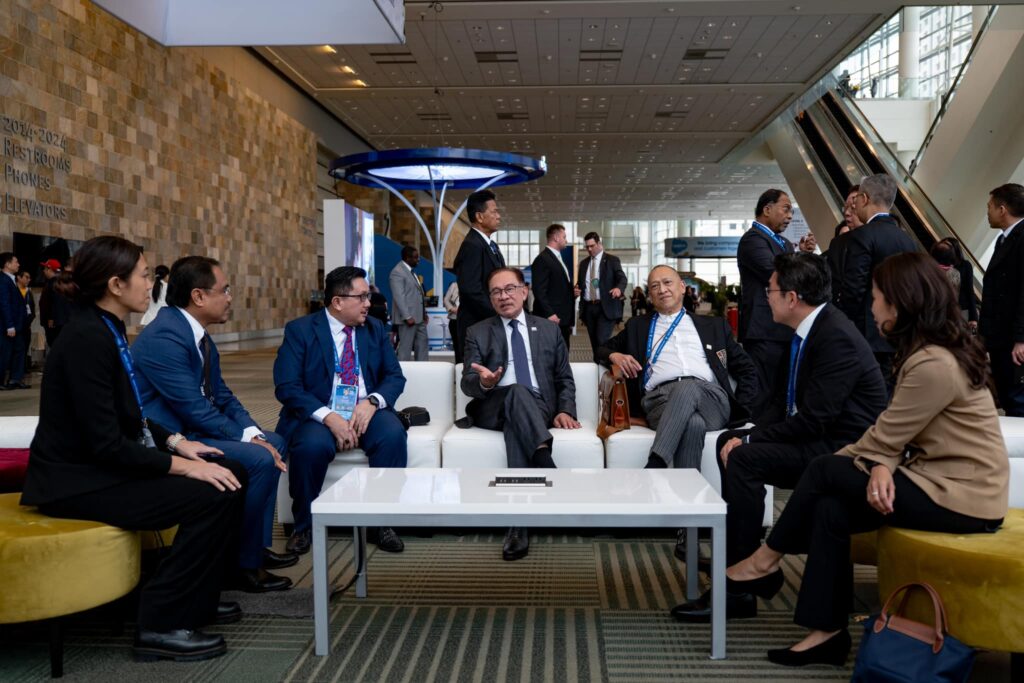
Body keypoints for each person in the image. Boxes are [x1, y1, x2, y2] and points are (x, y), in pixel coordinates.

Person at [723, 252, 1007, 666]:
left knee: (824, 469)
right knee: (831, 508)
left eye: (875, 297)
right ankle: (827, 633)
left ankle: (765, 560)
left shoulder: (933, 363)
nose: (870, 307)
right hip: (935, 479)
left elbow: (883, 435)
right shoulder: (929, 352)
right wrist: (881, 465)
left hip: (962, 497)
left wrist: (877, 462)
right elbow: (894, 436)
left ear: (900, 302)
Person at [20, 235, 247, 662]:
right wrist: (182, 467)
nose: (151, 285)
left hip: (103, 468)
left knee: (230, 469)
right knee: (212, 493)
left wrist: (178, 442)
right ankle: (160, 621)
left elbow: (128, 415)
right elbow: (105, 444)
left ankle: (194, 600)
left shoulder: (107, 328)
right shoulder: (86, 339)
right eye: (144, 276)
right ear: (115, 284)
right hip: (78, 482)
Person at [670, 253, 887, 623]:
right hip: (821, 435)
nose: (764, 297)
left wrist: (751, 442)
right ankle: (742, 559)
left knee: (744, 457)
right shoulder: (810, 330)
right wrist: (746, 432)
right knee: (729, 442)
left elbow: (815, 420)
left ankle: (739, 584)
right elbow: (782, 403)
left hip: (843, 449)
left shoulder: (836, 338)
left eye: (769, 290)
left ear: (792, 297)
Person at [131, 256, 294, 593]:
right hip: (169, 439)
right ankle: (241, 564)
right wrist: (252, 444)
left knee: (274, 442)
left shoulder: (195, 333)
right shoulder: (165, 337)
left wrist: (253, 432)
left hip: (192, 428)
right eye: (225, 290)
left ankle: (253, 546)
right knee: (260, 458)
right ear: (199, 296)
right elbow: (195, 408)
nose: (230, 297)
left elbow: (221, 395)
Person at [598, 265, 759, 556]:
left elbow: (747, 370)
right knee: (692, 424)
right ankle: (688, 530)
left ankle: (654, 468)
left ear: (683, 288)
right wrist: (616, 355)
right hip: (659, 402)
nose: (662, 290)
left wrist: (743, 411)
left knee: (689, 387)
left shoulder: (714, 326)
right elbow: (601, 349)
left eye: (668, 283)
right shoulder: (638, 327)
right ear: (649, 295)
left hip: (711, 399)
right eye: (654, 286)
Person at [274, 266, 408, 555]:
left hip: (365, 410)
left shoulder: (374, 328)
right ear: (337, 301)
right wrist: (329, 417)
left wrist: (372, 402)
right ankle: (304, 525)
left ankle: (382, 523)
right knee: (310, 446)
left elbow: (394, 377)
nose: (368, 303)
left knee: (392, 435)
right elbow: (287, 386)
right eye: (361, 297)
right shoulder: (300, 330)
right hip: (318, 413)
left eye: (368, 296)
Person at [461, 267, 580, 561]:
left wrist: (565, 409)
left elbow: (564, 378)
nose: (504, 296)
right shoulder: (477, 332)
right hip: (493, 404)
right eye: (496, 292)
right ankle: (546, 464)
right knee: (515, 391)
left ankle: (518, 524)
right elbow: (467, 382)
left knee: (517, 420)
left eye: (510, 289)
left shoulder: (549, 329)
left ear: (524, 292)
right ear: (491, 298)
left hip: (537, 406)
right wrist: (484, 382)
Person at [737, 190, 815, 415]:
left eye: (791, 211)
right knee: (762, 393)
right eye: (786, 209)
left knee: (781, 394)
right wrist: (800, 262)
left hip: (784, 330)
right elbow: (779, 274)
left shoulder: (784, 243)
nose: (790, 216)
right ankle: (752, 432)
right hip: (763, 330)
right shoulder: (753, 240)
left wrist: (802, 254)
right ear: (767, 209)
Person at [838, 173, 917, 389]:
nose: (853, 207)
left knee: (866, 391)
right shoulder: (907, 240)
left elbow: (854, 288)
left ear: (864, 199)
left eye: (856, 200)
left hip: (866, 333)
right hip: (899, 333)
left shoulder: (863, 236)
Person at [980, 183, 1024, 417]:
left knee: (1017, 400)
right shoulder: (1004, 239)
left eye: (989, 207)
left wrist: (1021, 339)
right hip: (1000, 336)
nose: (987, 212)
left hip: (1013, 340)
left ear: (1002, 209)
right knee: (1008, 396)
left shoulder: (1021, 238)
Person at [453, 189, 505, 363]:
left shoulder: (490, 245)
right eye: (494, 212)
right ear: (479, 217)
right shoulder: (472, 245)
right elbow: (471, 290)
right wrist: (499, 312)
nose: (498, 216)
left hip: (490, 325)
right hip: (477, 326)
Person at [576, 232, 628, 358]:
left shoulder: (612, 260)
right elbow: (581, 284)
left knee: (601, 341)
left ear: (599, 244)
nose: (589, 249)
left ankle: (604, 366)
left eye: (592, 246)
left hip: (605, 307)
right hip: (588, 308)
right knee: (594, 343)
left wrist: (618, 288)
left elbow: (622, 278)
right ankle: (598, 365)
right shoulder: (583, 264)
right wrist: (576, 289)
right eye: (587, 247)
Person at [530, 224, 577, 349]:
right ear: (556, 237)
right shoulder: (542, 259)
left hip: (562, 318)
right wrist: (549, 313)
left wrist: (572, 293)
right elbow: (539, 290)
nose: (566, 240)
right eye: (564, 237)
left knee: (562, 352)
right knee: (550, 352)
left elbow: (556, 287)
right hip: (551, 318)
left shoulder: (557, 258)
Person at [389, 246, 429, 362]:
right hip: (408, 319)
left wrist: (424, 313)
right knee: (405, 349)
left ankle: (423, 370)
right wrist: (407, 316)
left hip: (419, 318)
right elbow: (399, 297)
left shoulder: (411, 272)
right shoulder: (397, 272)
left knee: (422, 346)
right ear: (407, 258)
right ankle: (403, 372)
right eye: (416, 257)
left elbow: (418, 294)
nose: (418, 260)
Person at [0, 252, 27, 390]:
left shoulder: (11, 280)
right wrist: (9, 325)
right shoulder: (3, 280)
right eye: (16, 262)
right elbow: (4, 303)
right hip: (8, 326)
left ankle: (15, 379)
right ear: (7, 264)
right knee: (4, 353)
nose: (18, 264)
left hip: (17, 325)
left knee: (19, 350)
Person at [938, 237, 978, 331]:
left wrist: (973, 317)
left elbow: (970, 291)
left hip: (961, 309)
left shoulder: (965, 265)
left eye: (948, 246)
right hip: (942, 310)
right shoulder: (937, 264)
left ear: (955, 249)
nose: (945, 248)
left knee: (962, 335)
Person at [38, 258, 71, 349]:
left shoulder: (56, 282)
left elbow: (56, 301)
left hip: (54, 323)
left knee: (55, 345)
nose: (44, 271)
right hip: (54, 322)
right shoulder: (53, 281)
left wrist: (51, 318)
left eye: (45, 269)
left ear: (49, 269)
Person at [16, 269, 35, 383]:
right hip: (15, 326)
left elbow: (32, 310)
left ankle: (23, 368)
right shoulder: (14, 290)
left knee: (25, 346)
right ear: (19, 277)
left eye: (29, 278)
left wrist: (29, 322)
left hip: (26, 326)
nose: (28, 280)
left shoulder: (28, 292)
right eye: (26, 277)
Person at [443, 280, 459, 352]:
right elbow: (446, 299)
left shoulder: (472, 285)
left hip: (467, 320)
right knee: (456, 345)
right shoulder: (454, 285)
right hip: (454, 319)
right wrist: (452, 309)